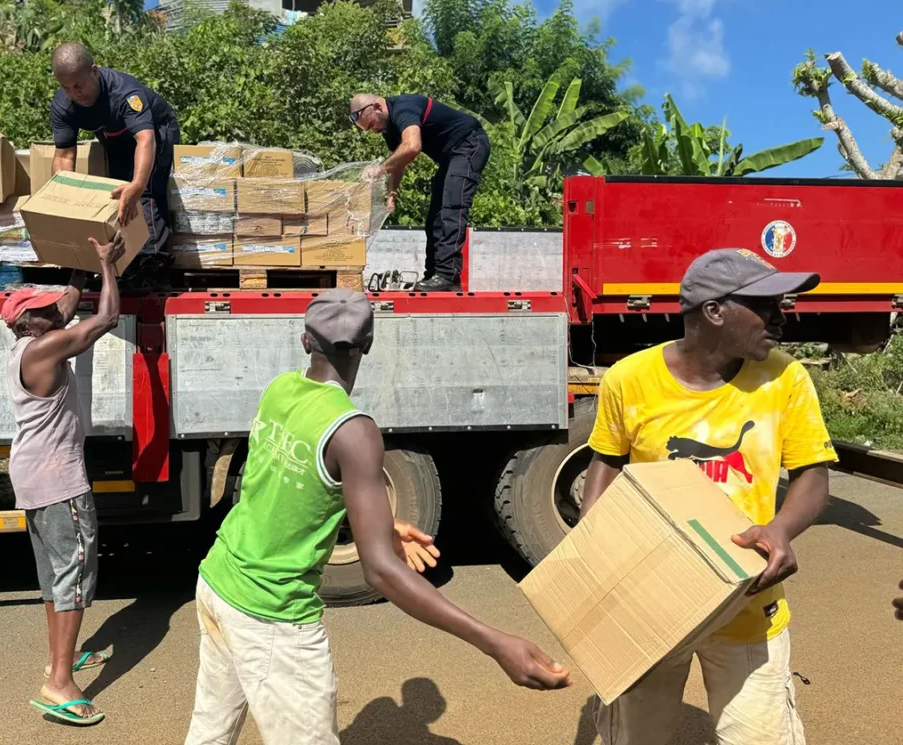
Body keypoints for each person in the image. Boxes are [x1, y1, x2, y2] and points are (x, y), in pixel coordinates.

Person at [184, 288, 570, 745]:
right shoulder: (354, 431)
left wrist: (382, 525)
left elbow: (285, 489)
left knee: (210, 731)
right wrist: (496, 643)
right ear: (368, 345)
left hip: (219, 583)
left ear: (305, 342)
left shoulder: (280, 389)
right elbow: (382, 572)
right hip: (272, 615)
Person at [581, 248, 837, 745]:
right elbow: (607, 463)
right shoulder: (629, 379)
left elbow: (813, 475)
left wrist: (780, 529)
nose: (784, 316)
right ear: (714, 311)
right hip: (650, 605)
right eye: (768, 306)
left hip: (747, 602)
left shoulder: (785, 378)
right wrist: (596, 539)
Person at [2, 232, 126, 727]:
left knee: (55, 579)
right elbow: (107, 318)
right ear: (33, 323)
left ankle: (61, 660)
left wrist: (82, 263)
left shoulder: (27, 348)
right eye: (50, 309)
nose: (60, 310)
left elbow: (72, 303)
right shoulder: (45, 349)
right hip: (59, 483)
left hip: (33, 477)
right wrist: (110, 268)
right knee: (73, 577)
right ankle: (59, 684)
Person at [49, 42, 179, 288]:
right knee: (118, 193)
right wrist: (61, 198)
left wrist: (138, 184)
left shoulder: (125, 93)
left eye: (79, 85)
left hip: (156, 132)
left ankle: (153, 265)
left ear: (94, 71)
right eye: (66, 87)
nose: (75, 94)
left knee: (146, 191)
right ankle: (127, 263)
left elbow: (145, 139)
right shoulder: (63, 105)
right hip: (116, 138)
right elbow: (64, 155)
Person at [350, 93, 490, 292]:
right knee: (435, 216)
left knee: (452, 206)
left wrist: (380, 169)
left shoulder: (403, 108)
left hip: (470, 143)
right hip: (450, 157)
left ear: (378, 106)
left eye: (371, 124)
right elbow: (399, 162)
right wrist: (392, 191)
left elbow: (412, 146)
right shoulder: (389, 129)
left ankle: (447, 275)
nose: (374, 131)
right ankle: (433, 274)